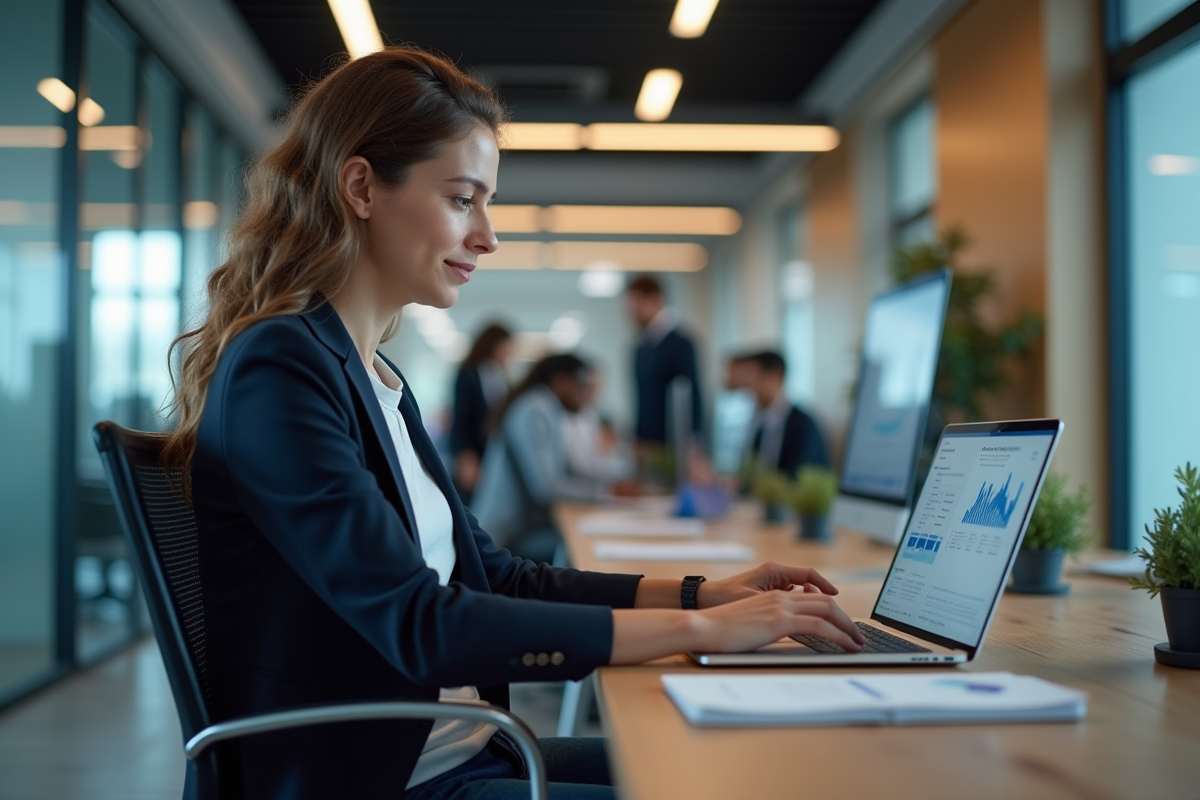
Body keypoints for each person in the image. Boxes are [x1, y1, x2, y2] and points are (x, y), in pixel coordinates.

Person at [163, 47, 863, 800]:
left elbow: (498, 576)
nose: (488, 236)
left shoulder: (374, 378)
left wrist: (703, 595)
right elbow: (421, 625)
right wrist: (707, 634)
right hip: (387, 778)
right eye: (464, 200)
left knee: (776, 768)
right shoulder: (282, 366)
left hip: (459, 750)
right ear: (362, 187)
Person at [470, 354, 609, 564]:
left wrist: (613, 483)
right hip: (505, 537)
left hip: (526, 527)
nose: (585, 394)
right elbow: (546, 489)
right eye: (580, 385)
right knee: (578, 548)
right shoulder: (534, 410)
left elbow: (568, 470)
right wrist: (605, 494)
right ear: (561, 381)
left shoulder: (547, 409)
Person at [625, 276, 703, 451]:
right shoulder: (640, 348)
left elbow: (692, 397)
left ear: (654, 300)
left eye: (635, 306)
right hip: (648, 445)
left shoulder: (680, 344)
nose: (630, 313)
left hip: (675, 445)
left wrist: (692, 443)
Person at [743, 350, 830, 480]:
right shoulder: (759, 422)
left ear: (775, 376)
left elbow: (797, 478)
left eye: (752, 376)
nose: (747, 384)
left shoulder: (803, 425)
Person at [450, 322, 513, 499]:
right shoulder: (469, 374)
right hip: (474, 451)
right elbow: (461, 418)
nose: (509, 354)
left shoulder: (502, 377)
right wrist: (465, 456)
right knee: (473, 501)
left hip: (494, 451)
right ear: (492, 345)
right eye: (506, 348)